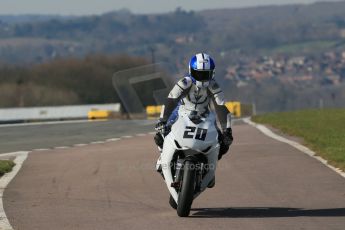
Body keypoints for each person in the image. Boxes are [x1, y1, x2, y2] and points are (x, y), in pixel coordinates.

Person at [154, 53, 233, 172]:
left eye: (205, 74)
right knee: (160, 132)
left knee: (223, 142)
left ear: (212, 73)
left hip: (205, 115)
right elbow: (171, 100)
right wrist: (162, 120)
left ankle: (208, 167)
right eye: (199, 74)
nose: (202, 78)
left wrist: (227, 130)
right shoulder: (184, 82)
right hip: (181, 111)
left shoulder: (213, 86)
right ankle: (162, 155)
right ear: (191, 71)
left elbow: (221, 106)